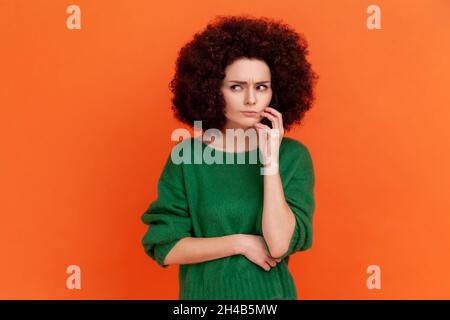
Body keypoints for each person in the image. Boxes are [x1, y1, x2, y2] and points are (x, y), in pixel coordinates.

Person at [141, 15, 318, 300]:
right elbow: (167, 247)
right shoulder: (187, 157)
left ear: (275, 91)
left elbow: (279, 245)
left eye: (261, 87)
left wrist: (270, 163)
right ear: (213, 91)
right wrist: (239, 243)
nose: (251, 99)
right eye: (236, 87)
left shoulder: (293, 157)